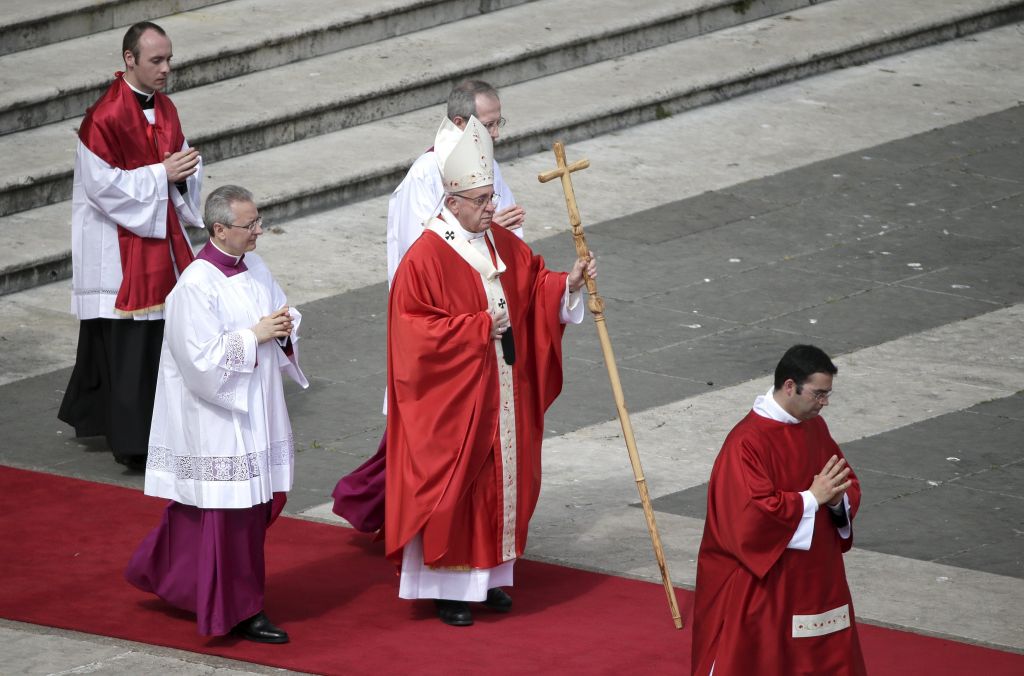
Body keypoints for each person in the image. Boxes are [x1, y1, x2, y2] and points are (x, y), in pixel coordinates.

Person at [384, 115, 597, 627]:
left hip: (504, 389)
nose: (490, 207)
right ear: (453, 202)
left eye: (490, 197)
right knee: (459, 487)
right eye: (481, 201)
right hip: (456, 401)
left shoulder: (499, 240)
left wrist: (567, 283)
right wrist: (478, 327)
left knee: (501, 483)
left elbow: (533, 282)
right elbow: (412, 334)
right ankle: (449, 589)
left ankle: (488, 577)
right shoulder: (424, 258)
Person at [332, 80, 526, 533]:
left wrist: (503, 235)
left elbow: (503, 235)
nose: (497, 133)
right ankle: (388, 510)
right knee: (426, 433)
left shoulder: (487, 164)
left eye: (499, 122)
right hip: (443, 322)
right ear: (459, 123)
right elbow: (419, 251)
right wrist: (491, 228)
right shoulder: (425, 174)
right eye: (490, 124)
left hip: (485, 317)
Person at [125, 185, 308, 643]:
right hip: (220, 420)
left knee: (256, 507)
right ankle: (242, 610)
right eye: (251, 224)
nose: (259, 231)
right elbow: (198, 362)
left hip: (257, 409)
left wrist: (285, 326)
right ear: (220, 229)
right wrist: (255, 335)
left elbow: (278, 312)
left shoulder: (254, 266)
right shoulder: (194, 286)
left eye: (259, 220)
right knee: (232, 518)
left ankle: (170, 574)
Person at [58, 21, 204, 470]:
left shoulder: (166, 108)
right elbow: (102, 188)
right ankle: (134, 442)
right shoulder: (104, 117)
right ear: (129, 60)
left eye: (169, 59)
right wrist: (163, 174)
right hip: (117, 248)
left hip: (159, 240)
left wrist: (184, 170)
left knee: (158, 339)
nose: (166, 69)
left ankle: (165, 427)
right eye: (156, 60)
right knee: (128, 347)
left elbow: (182, 162)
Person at [692, 345, 867, 675]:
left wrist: (835, 500)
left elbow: (842, 480)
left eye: (827, 395)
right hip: (762, 580)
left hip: (815, 574)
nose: (824, 403)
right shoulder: (746, 442)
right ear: (790, 386)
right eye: (818, 394)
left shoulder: (815, 428)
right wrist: (811, 499)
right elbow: (748, 518)